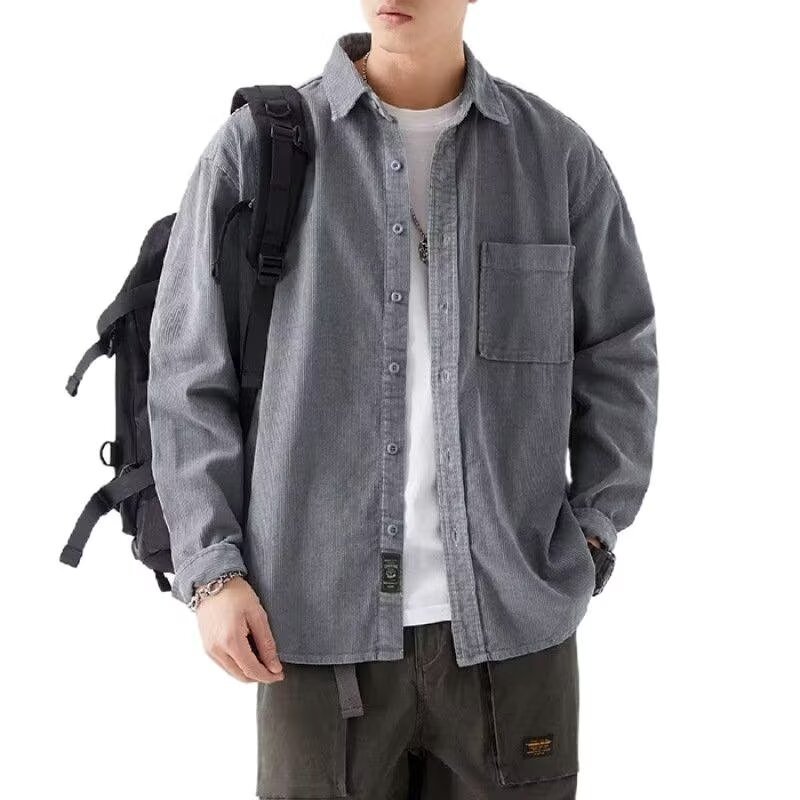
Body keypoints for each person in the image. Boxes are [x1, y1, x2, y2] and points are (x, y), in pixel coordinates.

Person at [147, 1, 658, 797]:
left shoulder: (554, 157)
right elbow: (186, 373)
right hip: (312, 631)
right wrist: (212, 572)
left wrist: (593, 528)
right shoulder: (257, 151)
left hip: (515, 628)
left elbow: (619, 353)